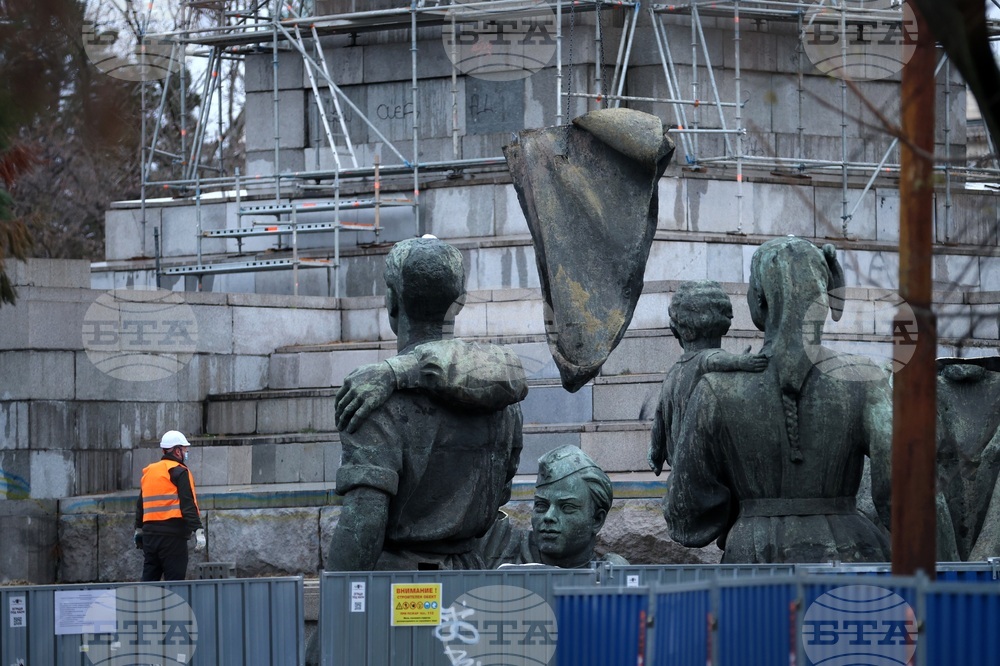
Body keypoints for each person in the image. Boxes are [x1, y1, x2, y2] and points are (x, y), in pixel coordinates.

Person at [664, 237, 892, 563]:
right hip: (853, 554)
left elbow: (685, 512)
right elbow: (900, 489)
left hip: (755, 556)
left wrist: (743, 508)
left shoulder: (716, 390)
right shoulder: (866, 378)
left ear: (760, 301)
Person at [326, 237, 525, 571]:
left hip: (400, 583)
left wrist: (336, 593)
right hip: (470, 574)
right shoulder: (502, 401)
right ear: (459, 302)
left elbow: (364, 522)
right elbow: (502, 489)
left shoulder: (373, 398)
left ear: (392, 301)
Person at [647, 280, 767, 475]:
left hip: (678, 463)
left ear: (677, 328)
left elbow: (659, 420)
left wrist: (655, 453)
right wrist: (741, 362)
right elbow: (716, 359)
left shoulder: (673, 373)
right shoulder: (705, 358)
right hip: (700, 464)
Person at [480, 446, 627, 568]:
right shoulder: (497, 546)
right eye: (541, 505)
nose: (548, 516)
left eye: (567, 507)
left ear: (597, 519)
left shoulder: (611, 578)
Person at [134, 430, 205, 581]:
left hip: (150, 537)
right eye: (185, 449)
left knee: (148, 583)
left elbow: (141, 504)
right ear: (177, 451)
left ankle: (143, 598)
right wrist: (198, 530)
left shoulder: (150, 472)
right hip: (173, 538)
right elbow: (188, 505)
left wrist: (138, 529)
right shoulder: (180, 472)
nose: (186, 452)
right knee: (175, 585)